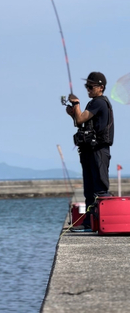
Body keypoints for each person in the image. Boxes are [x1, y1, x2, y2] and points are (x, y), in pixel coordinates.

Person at [66, 72, 114, 229]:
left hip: (99, 150)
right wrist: (74, 113)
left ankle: (103, 224)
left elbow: (80, 119)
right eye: (87, 86)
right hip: (89, 151)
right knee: (89, 189)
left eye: (91, 87)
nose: (88, 89)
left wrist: (77, 104)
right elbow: (80, 122)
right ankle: (89, 223)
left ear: (101, 88)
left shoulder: (99, 102)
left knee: (100, 188)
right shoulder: (94, 103)